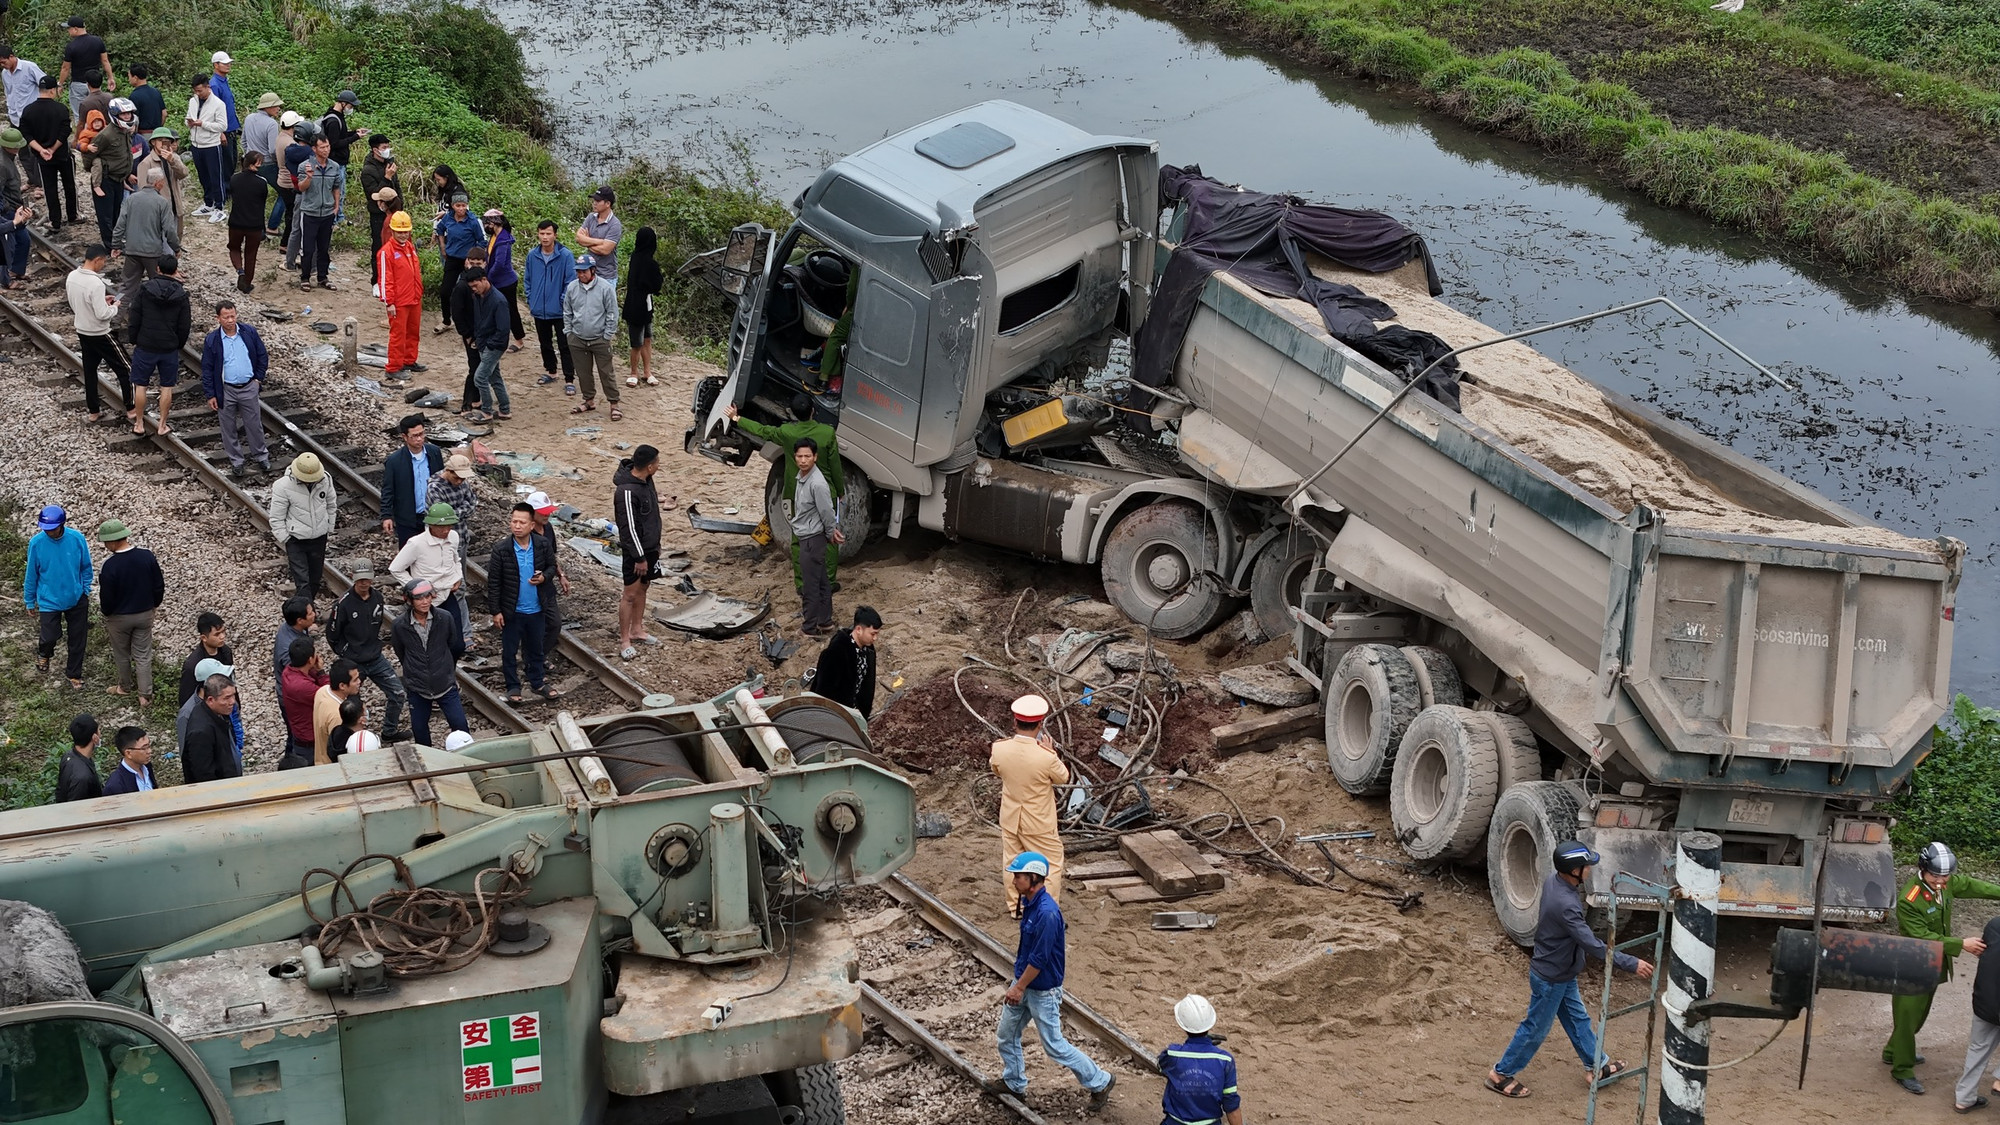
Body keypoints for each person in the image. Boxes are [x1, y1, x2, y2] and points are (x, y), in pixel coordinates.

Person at [1485, 842, 1655, 1099]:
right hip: (1551, 978)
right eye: (1587, 866)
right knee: (1535, 1029)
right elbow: (1592, 944)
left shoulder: (1555, 882)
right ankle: (1500, 1074)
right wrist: (1631, 963)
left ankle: (1596, 1066)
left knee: (1578, 1019)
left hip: (1560, 973)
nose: (1590, 869)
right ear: (1574, 870)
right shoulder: (1566, 904)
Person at [994, 851, 1116, 1110]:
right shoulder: (1031, 904)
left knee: (1054, 1045)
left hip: (1041, 991)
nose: (1014, 880)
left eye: (1019, 876)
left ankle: (1101, 1080)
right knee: (1006, 1035)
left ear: (1034, 878)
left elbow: (1039, 959)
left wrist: (1019, 987)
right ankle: (1014, 1083)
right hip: (1025, 984)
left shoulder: (1047, 914)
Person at [1886, 842, 2000, 1095]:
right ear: (1923, 870)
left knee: (1918, 1015)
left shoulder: (1946, 884)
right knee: (1907, 1018)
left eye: (1945, 876)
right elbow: (1923, 937)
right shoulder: (1909, 899)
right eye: (1935, 876)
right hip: (1912, 965)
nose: (1940, 882)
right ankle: (1902, 1070)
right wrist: (1963, 944)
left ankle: (1892, 1051)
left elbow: (1972, 886)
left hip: (1933, 964)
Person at [727, 397, 846, 593]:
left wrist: (737, 418)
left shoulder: (787, 432)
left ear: (792, 413)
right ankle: (829, 581)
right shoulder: (827, 433)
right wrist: (840, 490)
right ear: (813, 411)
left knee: (798, 538)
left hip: (796, 492)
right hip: (826, 491)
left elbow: (762, 431)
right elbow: (835, 465)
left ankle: (801, 584)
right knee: (830, 537)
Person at [990, 694, 1068, 912]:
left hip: (1010, 816)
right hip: (1039, 821)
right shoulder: (1046, 756)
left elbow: (996, 769)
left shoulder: (1000, 748)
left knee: (1013, 862)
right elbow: (1063, 777)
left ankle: (1017, 908)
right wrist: (1051, 752)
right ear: (1040, 724)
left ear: (1015, 722)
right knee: (1049, 864)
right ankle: (1045, 911)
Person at [329, 560, 407, 741]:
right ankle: (352, 738)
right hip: (354, 661)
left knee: (398, 693)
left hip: (376, 657)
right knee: (351, 704)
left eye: (367, 579)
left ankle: (389, 731)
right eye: (360, 579)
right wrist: (347, 653)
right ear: (353, 579)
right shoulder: (342, 604)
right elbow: (333, 635)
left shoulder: (377, 598)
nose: (364, 583)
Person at [489, 503, 559, 703]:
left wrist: (544, 578)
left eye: (522, 522)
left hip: (537, 609)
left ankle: (537, 681)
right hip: (512, 611)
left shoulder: (542, 544)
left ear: (531, 524)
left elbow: (551, 567)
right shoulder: (501, 549)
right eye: (514, 521)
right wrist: (496, 611)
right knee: (509, 651)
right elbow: (494, 582)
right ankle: (513, 686)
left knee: (535, 647)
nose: (517, 526)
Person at [392, 579, 467, 749]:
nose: (425, 601)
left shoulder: (445, 618)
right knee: (420, 731)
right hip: (417, 687)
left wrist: (443, 666)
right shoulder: (399, 625)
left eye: (428, 596)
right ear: (410, 601)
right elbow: (400, 651)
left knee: (460, 725)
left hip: (445, 684)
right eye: (419, 598)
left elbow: (452, 643)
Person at [24, 504, 92, 688]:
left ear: (62, 524)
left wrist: (85, 588)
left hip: (76, 597)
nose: (48, 532)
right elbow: (31, 574)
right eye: (45, 529)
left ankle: (74, 674)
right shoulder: (36, 543)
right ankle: (44, 653)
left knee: (78, 639)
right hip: (49, 600)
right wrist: (29, 600)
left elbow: (86, 566)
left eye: (52, 529)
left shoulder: (76, 538)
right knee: (50, 636)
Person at [96, 518, 163, 705]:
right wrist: (154, 604)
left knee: (122, 654)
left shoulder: (110, 566)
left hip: (119, 618)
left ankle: (124, 687)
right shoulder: (147, 556)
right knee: (143, 655)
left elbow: (107, 597)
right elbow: (158, 585)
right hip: (144, 614)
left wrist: (106, 612)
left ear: (113, 541)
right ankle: (145, 696)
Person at [200, 300, 270, 475]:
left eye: (233, 316)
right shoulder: (212, 340)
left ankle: (261, 456)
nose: (231, 320)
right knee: (228, 427)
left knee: (254, 424)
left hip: (248, 386)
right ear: (218, 318)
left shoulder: (249, 332)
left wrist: (258, 380)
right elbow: (207, 369)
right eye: (226, 317)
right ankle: (237, 461)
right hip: (226, 390)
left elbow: (262, 355)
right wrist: (211, 394)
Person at [127, 253, 188, 435]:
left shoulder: (145, 289)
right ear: (175, 271)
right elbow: (184, 324)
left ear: (158, 269)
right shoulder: (181, 295)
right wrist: (178, 344)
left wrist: (134, 337)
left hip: (146, 344)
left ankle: (138, 423)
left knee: (141, 385)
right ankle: (162, 424)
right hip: (169, 348)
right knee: (167, 386)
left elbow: (134, 316)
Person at [111, 166, 179, 328]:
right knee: (158, 287)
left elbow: (120, 224)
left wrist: (116, 244)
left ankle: (114, 317)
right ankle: (159, 322)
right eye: (161, 182)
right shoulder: (162, 202)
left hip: (132, 251)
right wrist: (176, 248)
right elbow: (169, 229)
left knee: (125, 287)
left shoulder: (131, 199)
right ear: (158, 183)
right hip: (153, 253)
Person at [67, 244, 128, 423]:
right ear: (97, 260)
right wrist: (114, 307)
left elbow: (78, 302)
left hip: (83, 330)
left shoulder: (72, 276)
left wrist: (101, 301)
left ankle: (94, 411)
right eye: (103, 262)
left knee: (90, 371)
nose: (104, 265)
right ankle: (132, 407)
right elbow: (102, 315)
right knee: (126, 369)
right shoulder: (95, 283)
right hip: (100, 332)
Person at [1159, 995, 1242, 1125]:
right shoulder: (1225, 1060)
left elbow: (1160, 1065)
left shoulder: (1173, 1054)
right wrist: (1206, 1044)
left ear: (1182, 1025)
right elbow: (1231, 1104)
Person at [612, 445, 663, 659]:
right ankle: (624, 640)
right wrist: (639, 557)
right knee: (630, 594)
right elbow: (628, 529)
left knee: (644, 588)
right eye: (658, 463)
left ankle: (637, 629)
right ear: (650, 466)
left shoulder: (646, 481)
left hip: (651, 548)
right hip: (637, 553)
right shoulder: (626, 492)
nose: (659, 466)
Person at [790, 438, 843, 636]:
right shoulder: (803, 477)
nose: (803, 460)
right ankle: (825, 622)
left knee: (810, 587)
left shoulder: (817, 483)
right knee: (821, 583)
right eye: (799, 456)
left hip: (812, 539)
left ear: (815, 457)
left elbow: (827, 511)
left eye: (807, 456)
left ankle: (809, 627)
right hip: (810, 537)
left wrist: (831, 532)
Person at [390, 502, 468, 637]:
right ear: (431, 525)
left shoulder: (453, 537)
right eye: (442, 527)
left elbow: (456, 559)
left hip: (448, 594)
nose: (446, 530)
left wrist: (458, 576)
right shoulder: (416, 544)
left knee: (456, 642)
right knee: (429, 640)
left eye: (449, 526)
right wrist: (417, 589)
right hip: (425, 601)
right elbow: (396, 569)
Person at [269, 453, 336, 600]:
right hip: (296, 540)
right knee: (302, 581)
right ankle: (306, 611)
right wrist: (285, 538)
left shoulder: (325, 479)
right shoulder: (283, 486)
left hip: (319, 537)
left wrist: (328, 527)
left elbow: (331, 505)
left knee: (315, 579)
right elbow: (276, 517)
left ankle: (307, 608)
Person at [563, 251, 619, 417]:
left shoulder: (605, 288)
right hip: (577, 338)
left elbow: (612, 313)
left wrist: (607, 335)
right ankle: (588, 401)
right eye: (579, 271)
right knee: (583, 373)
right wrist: (569, 332)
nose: (581, 274)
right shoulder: (572, 287)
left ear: (593, 270)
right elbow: (567, 311)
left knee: (606, 373)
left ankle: (614, 404)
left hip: (600, 338)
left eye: (584, 271)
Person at [1955, 915, 2000, 1112]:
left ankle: (1964, 1099)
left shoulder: (1994, 924)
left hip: (1985, 1001)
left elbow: (1983, 953)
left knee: (1978, 1048)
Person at [524, 220, 575, 390]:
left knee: (564, 345)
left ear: (555, 235)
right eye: (542, 233)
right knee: (544, 343)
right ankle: (551, 371)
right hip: (539, 309)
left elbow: (570, 282)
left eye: (548, 233)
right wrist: (532, 299)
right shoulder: (532, 255)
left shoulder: (565, 255)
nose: (545, 237)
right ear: (537, 234)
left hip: (560, 311)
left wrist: (562, 301)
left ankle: (569, 379)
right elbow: (528, 280)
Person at [20, 75, 75, 232]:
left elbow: (26, 134)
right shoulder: (61, 109)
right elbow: (65, 131)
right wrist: (53, 148)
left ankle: (55, 221)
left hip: (43, 158)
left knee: (50, 189)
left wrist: (42, 150)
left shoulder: (28, 110)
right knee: (69, 185)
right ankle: (73, 215)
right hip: (62, 154)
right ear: (52, 90)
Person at [380, 413, 445, 544]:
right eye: (415, 436)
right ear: (404, 437)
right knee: (409, 556)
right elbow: (388, 489)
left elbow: (442, 482)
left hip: (433, 516)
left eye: (422, 434)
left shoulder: (434, 452)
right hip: (408, 519)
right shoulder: (394, 461)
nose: (420, 439)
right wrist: (386, 516)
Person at [377, 210, 423, 376]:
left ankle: (409, 361)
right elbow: (385, 279)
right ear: (392, 231)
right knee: (398, 335)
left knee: (413, 332)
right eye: (399, 232)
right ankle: (394, 368)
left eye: (405, 232)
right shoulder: (385, 252)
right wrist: (389, 303)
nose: (403, 235)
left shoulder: (410, 247)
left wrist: (418, 293)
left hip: (414, 297)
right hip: (398, 302)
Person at [812, 606, 881, 716]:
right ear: (859, 629)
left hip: (854, 716)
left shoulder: (868, 651)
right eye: (872, 634)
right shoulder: (836, 651)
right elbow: (824, 692)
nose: (875, 638)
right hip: (833, 717)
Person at [295, 134, 343, 289]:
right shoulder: (305, 166)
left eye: (327, 146)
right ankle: (305, 278)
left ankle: (323, 277)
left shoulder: (334, 166)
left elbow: (336, 187)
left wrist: (336, 207)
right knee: (307, 248)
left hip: (327, 213)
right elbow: (301, 188)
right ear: (314, 149)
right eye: (322, 147)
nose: (326, 150)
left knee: (324, 248)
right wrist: (309, 177)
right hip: (309, 212)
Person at [87, 96, 136, 247]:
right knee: (106, 215)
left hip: (119, 178)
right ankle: (110, 245)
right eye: (123, 114)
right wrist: (97, 172)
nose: (127, 116)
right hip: (105, 179)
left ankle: (117, 240)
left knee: (117, 212)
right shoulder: (106, 135)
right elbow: (89, 155)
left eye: (129, 113)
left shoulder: (125, 131)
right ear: (115, 115)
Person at [466, 266, 512, 422]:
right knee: (494, 377)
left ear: (484, 280)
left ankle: (486, 411)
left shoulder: (499, 301)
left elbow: (503, 329)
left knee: (479, 378)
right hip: (484, 342)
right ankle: (505, 410)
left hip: (493, 345)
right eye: (471, 286)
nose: (474, 289)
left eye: (475, 285)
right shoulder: (478, 297)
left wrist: (490, 345)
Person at [525, 491, 569, 651]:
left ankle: (539, 655)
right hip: (530, 586)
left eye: (548, 512)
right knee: (534, 625)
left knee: (554, 623)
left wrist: (561, 575)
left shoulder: (548, 528)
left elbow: (552, 556)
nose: (546, 516)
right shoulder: (525, 535)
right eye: (543, 513)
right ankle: (533, 659)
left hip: (547, 584)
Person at [433, 192, 480, 334]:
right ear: (453, 206)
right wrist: (442, 246)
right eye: (458, 205)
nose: (461, 208)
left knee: (471, 291)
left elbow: (481, 241)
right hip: (452, 258)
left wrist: (471, 258)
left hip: (467, 261)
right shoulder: (448, 217)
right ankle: (446, 320)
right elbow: (440, 229)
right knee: (445, 291)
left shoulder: (473, 221)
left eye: (464, 205)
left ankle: (473, 321)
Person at [182, 672, 242, 784]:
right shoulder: (200, 732)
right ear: (210, 700)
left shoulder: (220, 712)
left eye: (233, 695)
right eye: (227, 698)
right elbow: (204, 775)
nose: (233, 702)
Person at [623, 226, 663, 387]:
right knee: (637, 342)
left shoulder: (637, 257)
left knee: (647, 338)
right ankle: (634, 372)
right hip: (636, 306)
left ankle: (647, 372)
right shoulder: (647, 262)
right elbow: (656, 284)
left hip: (645, 305)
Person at [279, 635, 327, 768]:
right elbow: (328, 695)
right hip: (309, 744)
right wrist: (321, 672)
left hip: (300, 737)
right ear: (310, 660)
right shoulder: (302, 686)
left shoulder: (289, 671)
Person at [185, 74, 227, 220]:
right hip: (196, 144)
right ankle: (208, 204)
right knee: (203, 176)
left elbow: (222, 125)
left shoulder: (218, 104)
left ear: (208, 87)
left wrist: (202, 124)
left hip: (211, 145)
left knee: (215, 176)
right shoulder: (193, 101)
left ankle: (220, 207)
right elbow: (188, 118)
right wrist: (189, 123)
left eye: (200, 90)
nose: (198, 94)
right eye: (195, 91)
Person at [483, 209, 525, 350]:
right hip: (496, 280)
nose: (486, 226)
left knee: (511, 311)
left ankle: (519, 340)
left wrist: (488, 278)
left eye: (487, 223)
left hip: (505, 282)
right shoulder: (496, 236)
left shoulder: (503, 239)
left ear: (495, 222)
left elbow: (499, 264)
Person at [226, 152, 267, 292]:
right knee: (251, 254)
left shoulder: (234, 179)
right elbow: (263, 201)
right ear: (252, 165)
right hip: (254, 225)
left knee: (234, 247)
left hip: (236, 221)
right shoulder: (261, 183)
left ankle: (240, 271)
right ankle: (247, 283)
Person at [135, 126, 189, 231]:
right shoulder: (146, 163)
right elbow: (142, 189)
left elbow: (184, 173)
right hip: (158, 210)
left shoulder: (174, 157)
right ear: (153, 142)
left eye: (167, 141)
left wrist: (172, 161)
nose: (164, 143)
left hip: (175, 205)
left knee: (176, 236)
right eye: (160, 140)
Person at [272, 596, 316, 726]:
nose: (314, 614)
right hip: (293, 698)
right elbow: (297, 676)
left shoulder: (291, 627)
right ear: (300, 620)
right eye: (310, 613)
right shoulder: (289, 649)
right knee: (297, 736)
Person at [424, 452, 478, 557]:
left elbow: (473, 503)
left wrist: (456, 512)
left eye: (462, 479)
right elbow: (443, 517)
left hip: (461, 536)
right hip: (441, 543)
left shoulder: (463, 482)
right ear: (448, 471)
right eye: (456, 478)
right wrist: (464, 508)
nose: (459, 482)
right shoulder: (435, 488)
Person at [58, 17, 112, 120]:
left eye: (69, 29)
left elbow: (65, 68)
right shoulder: (98, 41)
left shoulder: (71, 46)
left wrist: (60, 84)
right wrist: (110, 78)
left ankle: (82, 134)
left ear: (75, 29)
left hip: (78, 84)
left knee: (80, 115)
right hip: (95, 84)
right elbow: (105, 61)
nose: (68, 31)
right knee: (97, 114)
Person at [360, 134, 396, 287]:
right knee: (379, 246)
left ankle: (391, 278)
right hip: (378, 213)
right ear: (375, 150)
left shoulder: (389, 163)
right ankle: (376, 280)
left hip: (393, 211)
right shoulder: (368, 170)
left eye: (388, 146)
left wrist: (400, 207)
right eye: (384, 147)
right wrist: (387, 178)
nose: (387, 150)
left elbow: (397, 187)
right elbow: (373, 194)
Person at [179, 613, 232, 706]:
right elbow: (186, 699)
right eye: (217, 634)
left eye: (223, 632)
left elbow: (230, 682)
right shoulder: (192, 665)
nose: (222, 636)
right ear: (204, 638)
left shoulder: (226, 652)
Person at [269, 109, 301, 246]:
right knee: (292, 215)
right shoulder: (291, 143)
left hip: (282, 178)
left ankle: (285, 242)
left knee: (288, 210)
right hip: (289, 182)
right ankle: (286, 243)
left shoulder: (280, 137)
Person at [0, 128, 28, 287]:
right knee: (7, 246)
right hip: (8, 209)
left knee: (22, 240)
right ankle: (6, 280)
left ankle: (16, 270)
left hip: (14, 206)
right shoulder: (2, 164)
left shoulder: (8, 157)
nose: (18, 148)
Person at [575, 185, 621, 281]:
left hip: (607, 276)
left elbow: (605, 250)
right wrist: (601, 241)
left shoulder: (615, 224)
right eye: (594, 200)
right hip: (589, 273)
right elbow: (578, 238)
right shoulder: (591, 217)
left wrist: (587, 242)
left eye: (598, 201)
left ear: (608, 203)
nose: (594, 203)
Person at [56, 713, 103, 802]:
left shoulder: (68, 756)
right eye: (99, 730)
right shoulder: (82, 778)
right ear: (95, 737)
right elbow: (75, 808)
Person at [207, 52, 237, 191]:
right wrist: (220, 132)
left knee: (232, 160)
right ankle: (224, 191)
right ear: (216, 65)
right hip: (224, 130)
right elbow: (213, 110)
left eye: (228, 63)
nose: (228, 65)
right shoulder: (214, 85)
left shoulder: (224, 81)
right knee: (225, 162)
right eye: (224, 63)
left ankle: (229, 188)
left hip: (231, 127)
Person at [0, 47, 45, 136]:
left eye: (3, 62)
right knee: (19, 146)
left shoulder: (29, 67)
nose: (2, 65)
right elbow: (8, 92)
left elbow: (45, 84)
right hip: (15, 117)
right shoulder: (5, 73)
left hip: (33, 116)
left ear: (11, 56)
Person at [101, 727, 160, 795]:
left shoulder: (146, 766)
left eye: (149, 746)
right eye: (144, 748)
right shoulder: (116, 786)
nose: (149, 751)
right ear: (128, 753)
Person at [126, 64, 162, 148]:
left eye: (129, 76)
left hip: (143, 135)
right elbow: (164, 113)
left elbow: (133, 119)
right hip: (158, 134)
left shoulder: (134, 96)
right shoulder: (156, 92)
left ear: (135, 78)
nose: (129, 80)